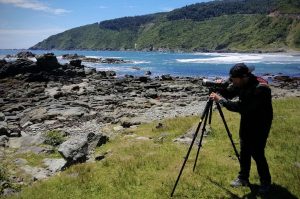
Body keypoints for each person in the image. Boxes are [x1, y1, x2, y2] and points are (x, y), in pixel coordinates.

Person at [209, 63, 273, 194]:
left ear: (244, 77)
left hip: (261, 122)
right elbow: (229, 94)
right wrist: (219, 87)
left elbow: (240, 107)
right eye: (231, 79)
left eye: (234, 79)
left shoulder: (261, 88)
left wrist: (220, 100)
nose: (232, 82)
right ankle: (243, 178)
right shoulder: (241, 83)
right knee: (244, 149)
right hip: (248, 118)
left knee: (257, 152)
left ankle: (265, 182)